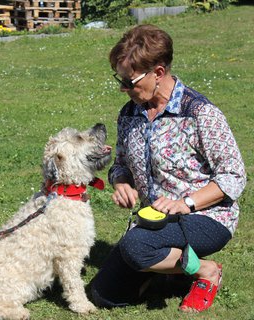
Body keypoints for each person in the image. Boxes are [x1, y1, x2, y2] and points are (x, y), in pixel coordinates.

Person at [88, 25, 246, 313]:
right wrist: (121, 182)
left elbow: (234, 175)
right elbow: (121, 164)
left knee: (136, 247)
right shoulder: (129, 113)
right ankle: (167, 271)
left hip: (207, 216)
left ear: (158, 73)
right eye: (119, 79)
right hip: (154, 221)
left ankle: (205, 271)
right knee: (103, 295)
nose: (123, 88)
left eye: (129, 81)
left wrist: (186, 203)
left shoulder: (199, 112)